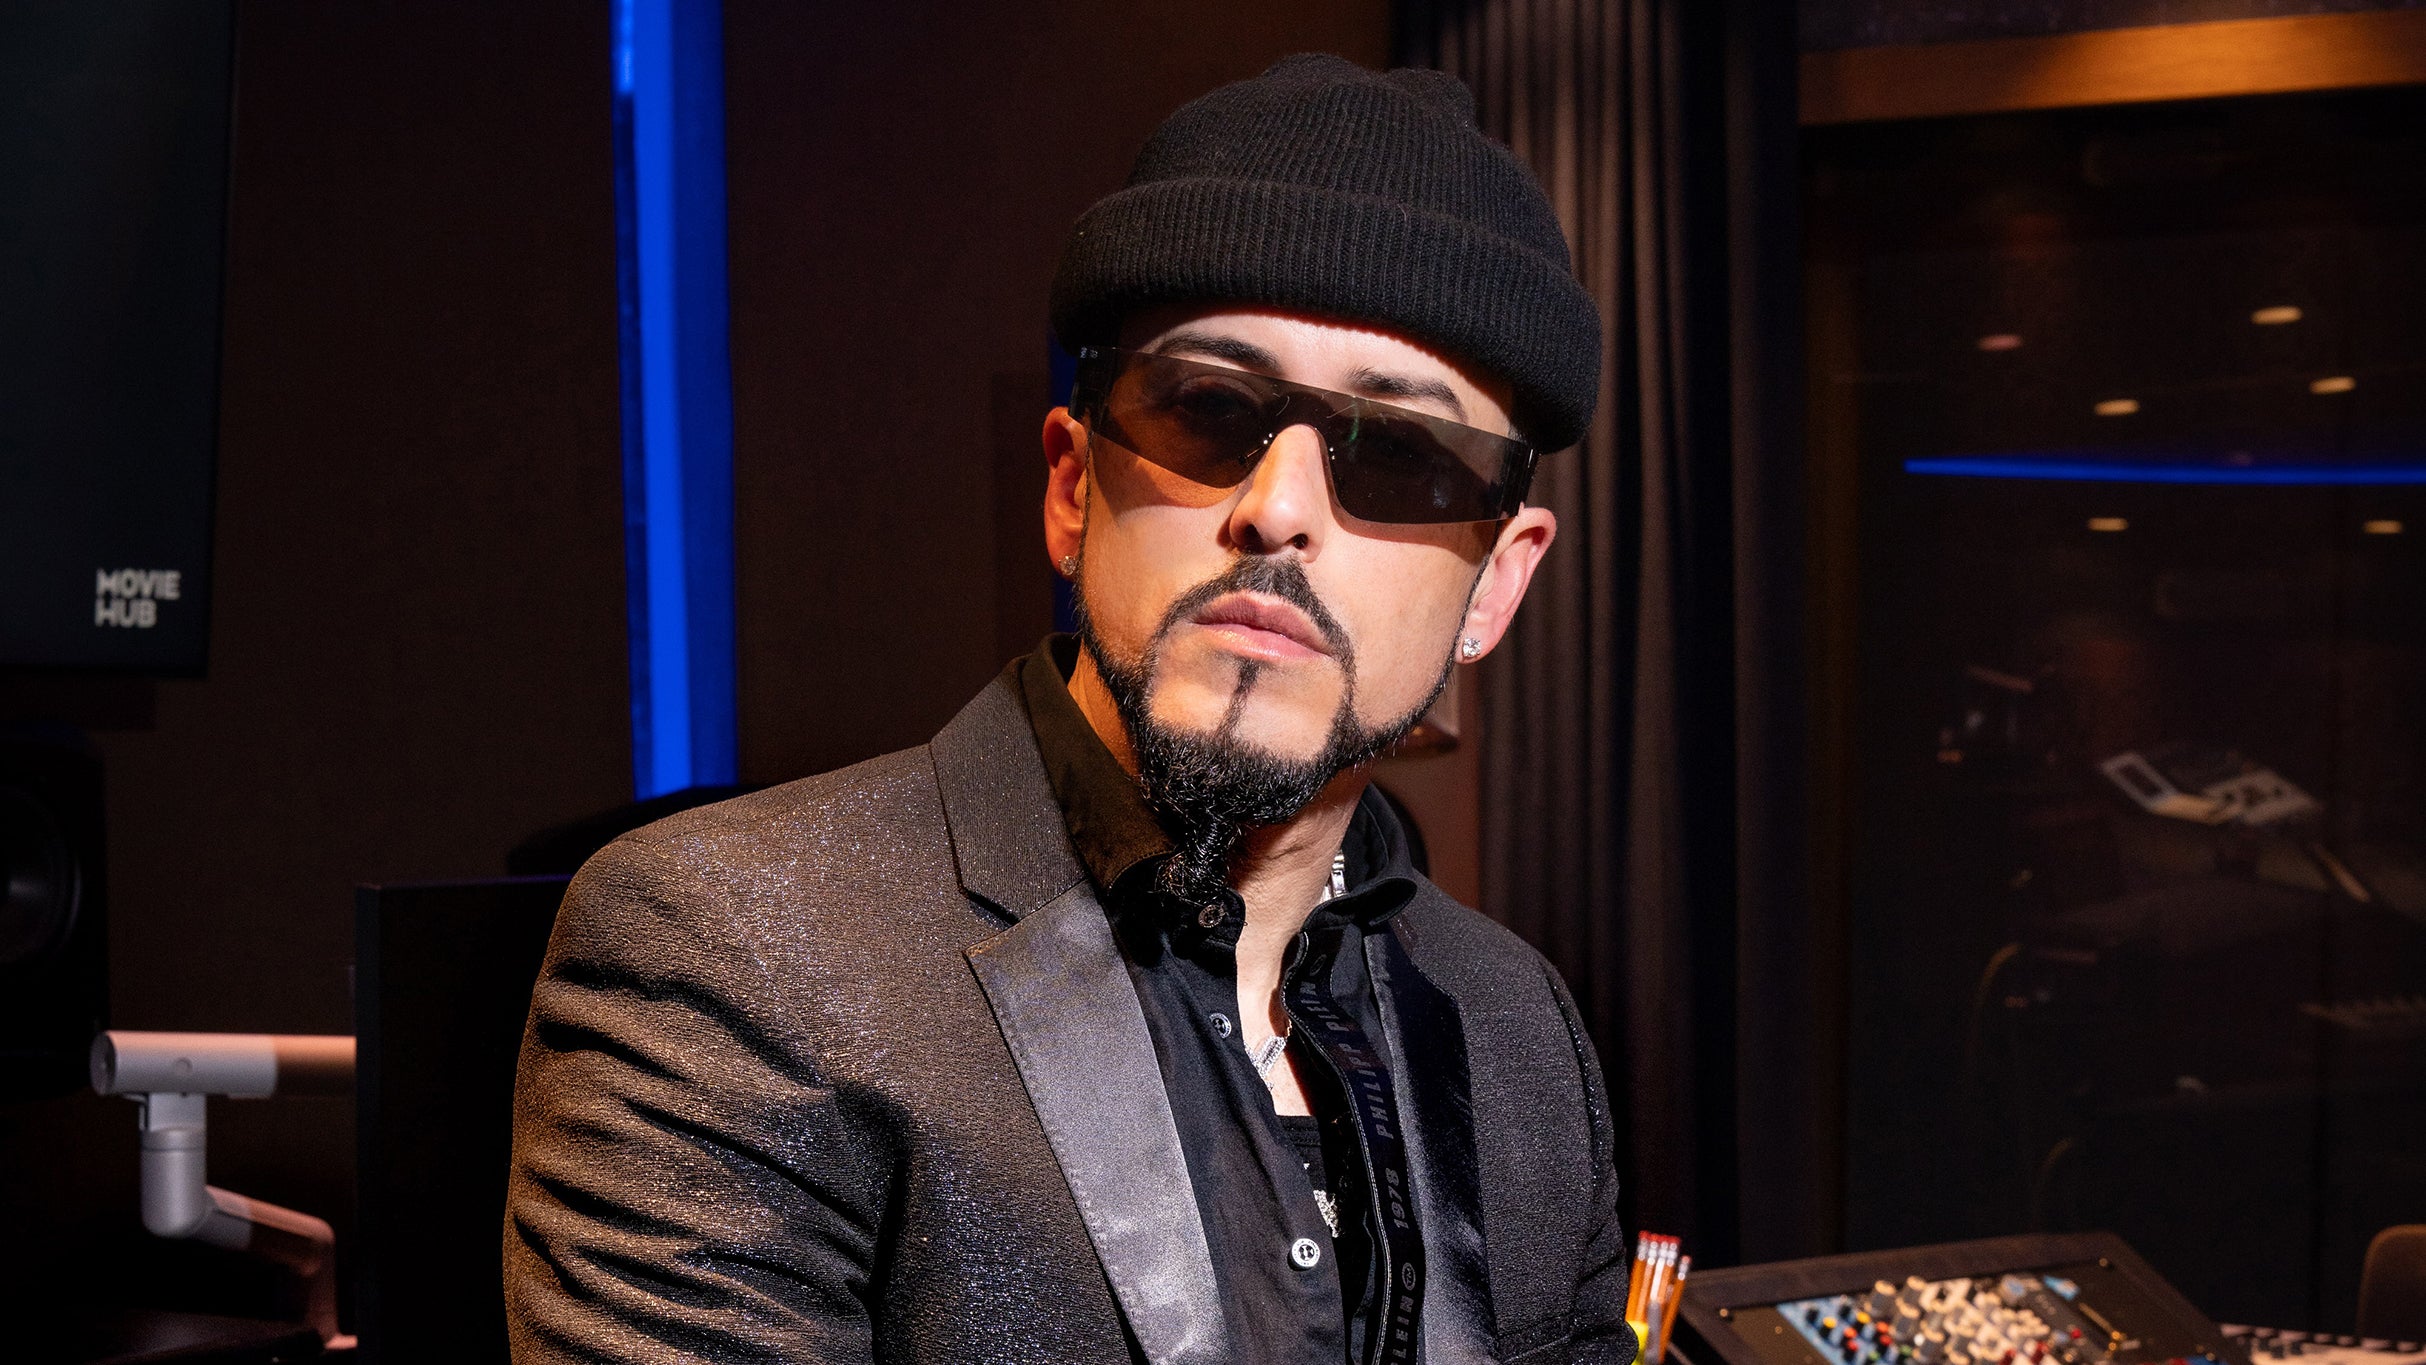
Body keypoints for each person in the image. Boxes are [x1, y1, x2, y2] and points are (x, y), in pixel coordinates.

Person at [506, 53, 1632, 1365]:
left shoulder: (1515, 1026)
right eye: (1211, 409)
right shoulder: (736, 954)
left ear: (1495, 586)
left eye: (1398, 452)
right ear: (1069, 488)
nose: (1277, 508)